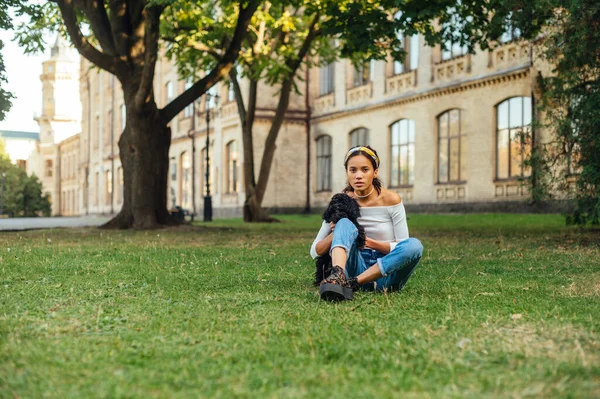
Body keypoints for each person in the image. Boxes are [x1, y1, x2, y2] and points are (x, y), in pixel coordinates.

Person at [310, 145, 423, 301]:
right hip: (355, 265)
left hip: (386, 276)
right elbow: (314, 251)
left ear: (375, 172)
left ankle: (353, 284)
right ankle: (338, 278)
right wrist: (336, 234)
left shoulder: (391, 200)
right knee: (343, 223)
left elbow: (402, 245)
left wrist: (369, 242)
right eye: (353, 170)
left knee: (414, 245)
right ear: (347, 173)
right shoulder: (341, 202)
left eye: (365, 170)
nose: (358, 176)